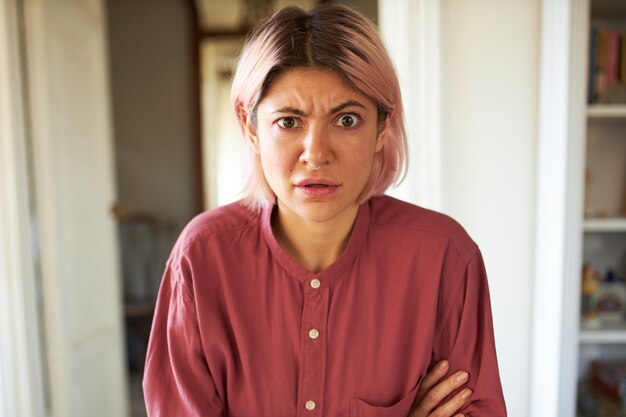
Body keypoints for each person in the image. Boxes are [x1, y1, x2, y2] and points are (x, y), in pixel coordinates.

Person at [143, 4, 507, 417]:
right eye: (288, 122)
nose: (316, 155)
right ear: (250, 127)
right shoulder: (201, 258)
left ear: (381, 129)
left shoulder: (446, 258)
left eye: (347, 119)